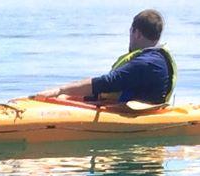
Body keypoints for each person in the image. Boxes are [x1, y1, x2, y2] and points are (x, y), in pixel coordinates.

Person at [40, 9, 176, 105]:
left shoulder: (147, 63)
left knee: (64, 95)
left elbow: (107, 82)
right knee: (65, 98)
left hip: (136, 115)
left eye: (130, 32)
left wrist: (59, 90)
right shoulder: (156, 59)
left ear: (137, 33)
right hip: (131, 108)